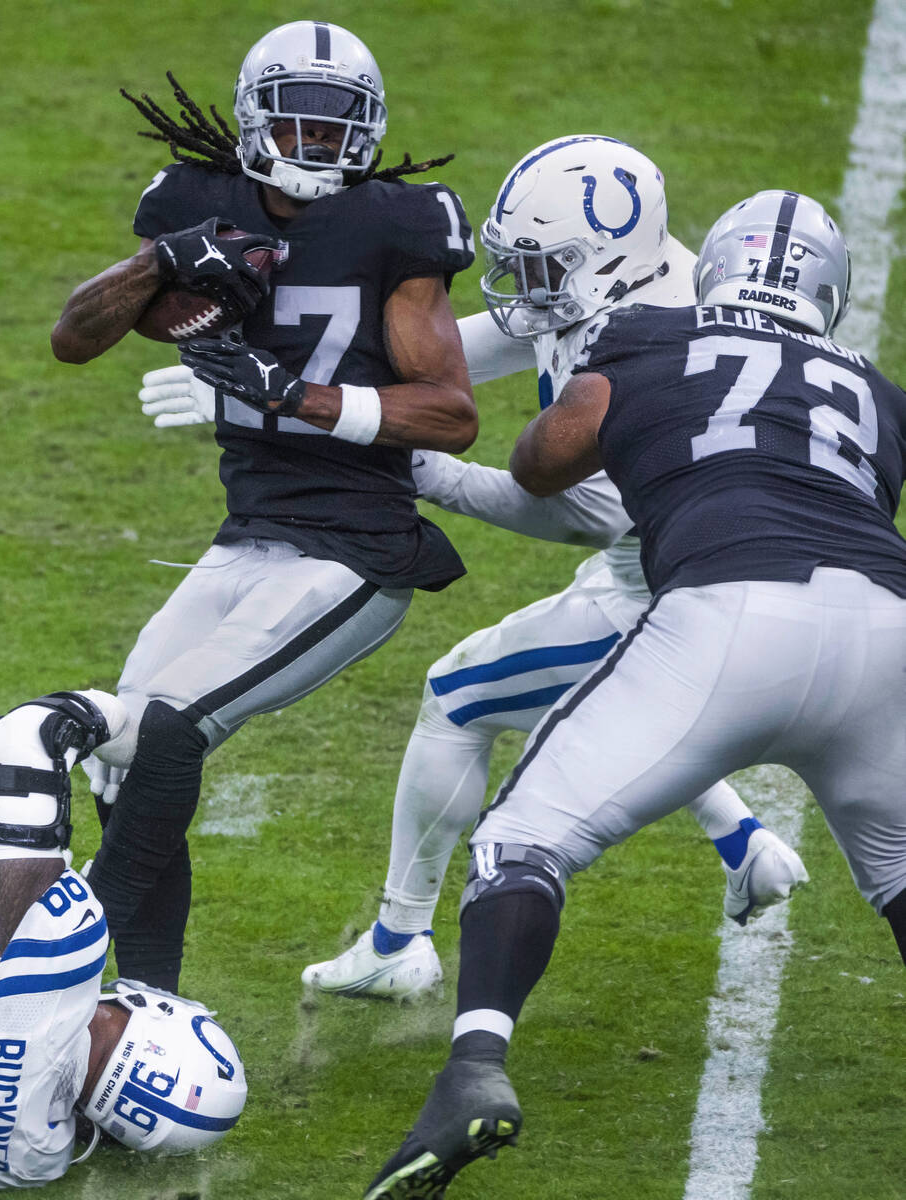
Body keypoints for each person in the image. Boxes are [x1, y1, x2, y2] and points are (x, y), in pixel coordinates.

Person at [362, 190, 906, 1197]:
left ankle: (473, 1068)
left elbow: (544, 464)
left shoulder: (652, 335)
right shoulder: (877, 391)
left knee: (522, 841)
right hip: (887, 625)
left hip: (731, 615)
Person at [285, 137, 807, 999]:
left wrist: (430, 472)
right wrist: (325, 387)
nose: (523, 281)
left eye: (544, 264)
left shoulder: (626, 339)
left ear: (605, 258)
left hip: (676, 585)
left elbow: (589, 513)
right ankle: (743, 841)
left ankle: (397, 939)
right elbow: (502, 338)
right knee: (587, 684)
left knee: (459, 696)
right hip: (704, 558)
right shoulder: (655, 281)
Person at [50, 20, 478, 993]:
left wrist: (290, 396)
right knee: (124, 761)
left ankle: (51, 972)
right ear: (255, 119)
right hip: (248, 533)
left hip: (356, 547)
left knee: (168, 727)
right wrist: (166, 263)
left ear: (368, 130)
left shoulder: (396, 224)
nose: (321, 144)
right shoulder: (193, 200)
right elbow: (74, 338)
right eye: (302, 123)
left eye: (339, 128)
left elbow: (451, 415)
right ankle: (149, 998)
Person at [0, 689, 246, 1190]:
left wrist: (117, 730)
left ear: (162, 1016)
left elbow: (24, 739)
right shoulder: (33, 1160)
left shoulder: (68, 946)